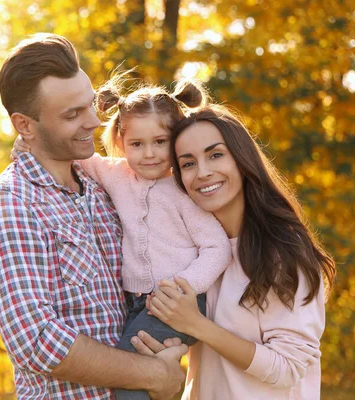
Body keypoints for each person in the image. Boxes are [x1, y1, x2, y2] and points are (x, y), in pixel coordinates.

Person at [0, 33, 187, 400]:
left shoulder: (103, 183)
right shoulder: (9, 205)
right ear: (25, 125)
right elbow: (35, 340)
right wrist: (151, 374)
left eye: (90, 105)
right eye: (72, 115)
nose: (94, 122)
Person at [13, 74, 232, 400]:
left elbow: (217, 248)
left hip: (180, 302)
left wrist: (182, 288)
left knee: (132, 376)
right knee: (145, 373)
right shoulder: (116, 175)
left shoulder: (184, 190)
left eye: (160, 142)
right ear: (120, 142)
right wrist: (29, 145)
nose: (149, 154)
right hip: (136, 302)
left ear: (177, 139)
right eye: (137, 144)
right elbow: (74, 156)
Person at [130, 83, 337, 399]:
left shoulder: (282, 249)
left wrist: (197, 325)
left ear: (242, 159)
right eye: (187, 163)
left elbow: (287, 367)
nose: (203, 172)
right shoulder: (197, 257)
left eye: (215, 155)